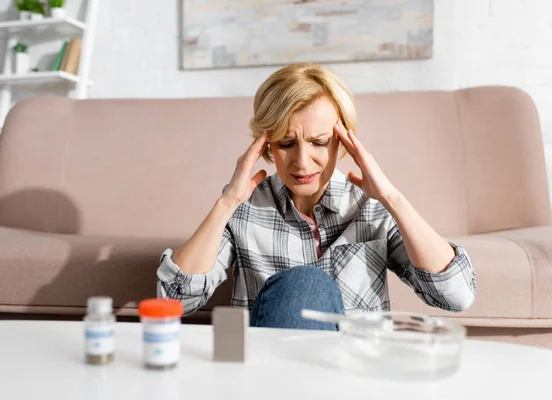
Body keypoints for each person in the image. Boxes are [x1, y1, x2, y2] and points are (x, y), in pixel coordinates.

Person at [157, 63, 476, 331]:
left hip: (353, 375)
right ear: (266, 145)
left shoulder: (371, 208)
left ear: (344, 142)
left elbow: (457, 296)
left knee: (309, 284)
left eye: (319, 142)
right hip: (270, 374)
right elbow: (175, 302)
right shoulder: (245, 208)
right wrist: (228, 202)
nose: (302, 162)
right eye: (286, 144)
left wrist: (392, 198)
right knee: (306, 284)